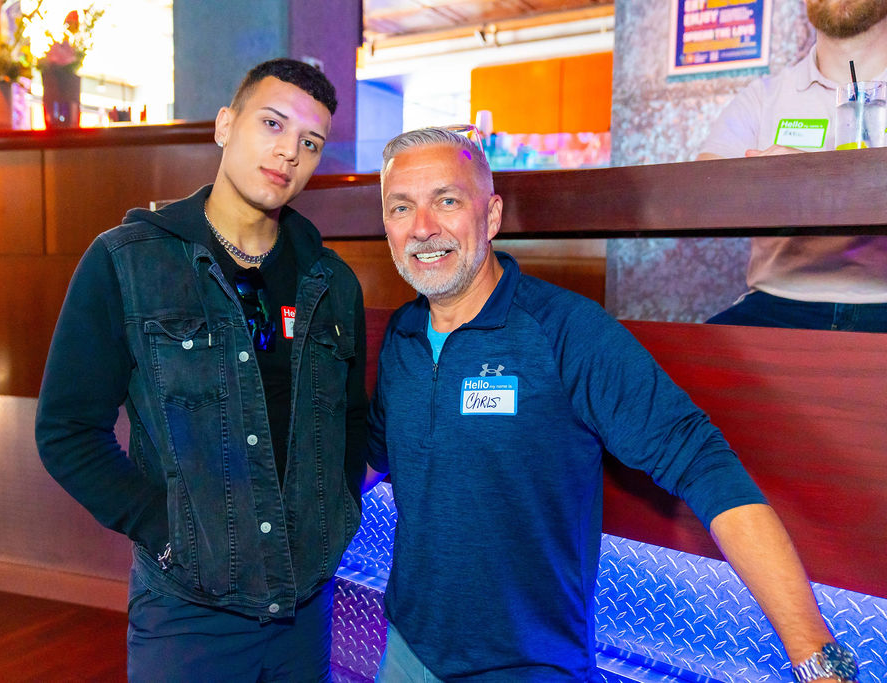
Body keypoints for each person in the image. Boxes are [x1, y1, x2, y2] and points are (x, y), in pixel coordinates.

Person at [365, 127, 857, 681]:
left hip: (530, 666)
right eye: (401, 207)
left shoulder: (566, 331)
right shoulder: (403, 335)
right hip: (407, 649)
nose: (423, 227)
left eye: (447, 201)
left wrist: (817, 657)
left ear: (492, 215)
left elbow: (702, 463)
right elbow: (373, 456)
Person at [35, 58, 367, 681]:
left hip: (305, 609)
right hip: (188, 613)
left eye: (310, 142)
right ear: (224, 126)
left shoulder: (331, 282)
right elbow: (66, 430)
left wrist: (335, 517)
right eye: (273, 123)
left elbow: (348, 422)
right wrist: (168, 532)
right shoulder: (129, 262)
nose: (288, 152)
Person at [697, 0, 887, 331]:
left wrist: (807, 176)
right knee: (674, 359)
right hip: (777, 301)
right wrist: (771, 179)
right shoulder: (763, 97)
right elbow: (702, 192)